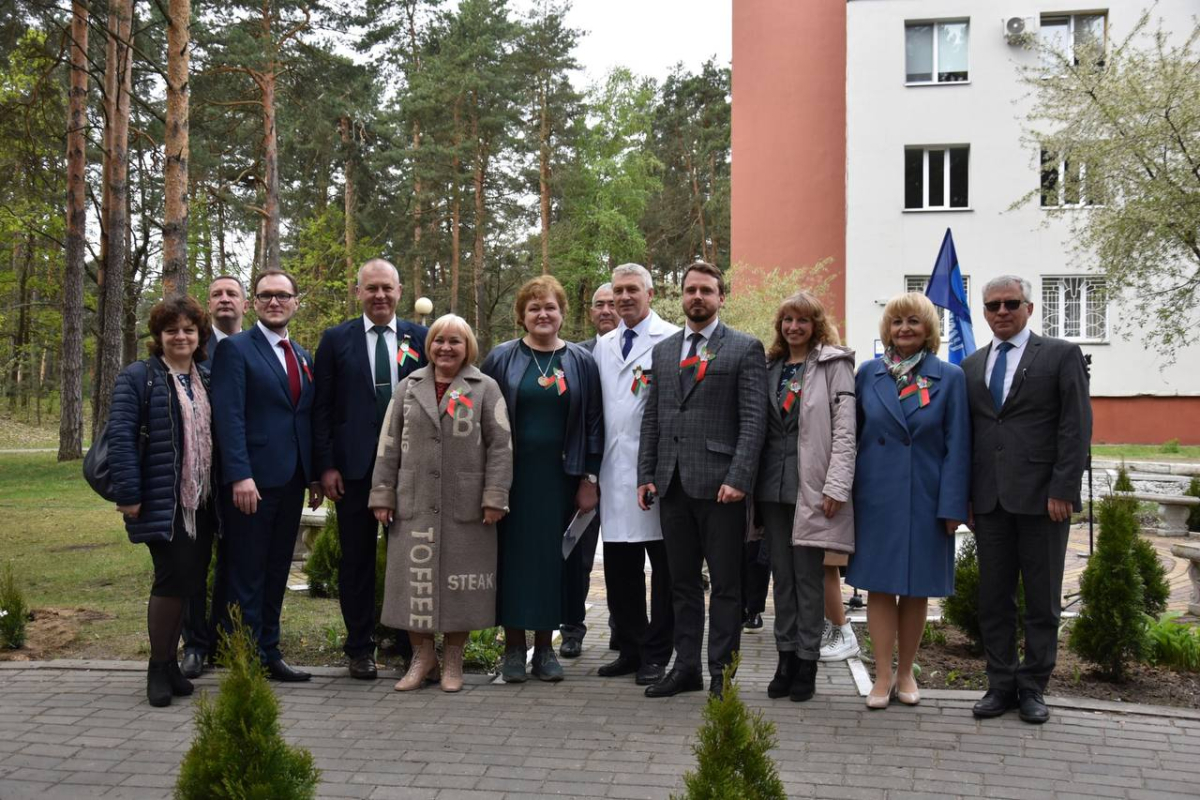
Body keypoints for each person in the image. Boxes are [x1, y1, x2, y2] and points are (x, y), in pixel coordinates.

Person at [637, 261, 768, 698]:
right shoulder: (664, 350)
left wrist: (739, 478)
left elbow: (753, 421)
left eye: (706, 291)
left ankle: (722, 676)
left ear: (720, 298)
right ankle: (686, 667)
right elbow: (652, 416)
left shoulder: (745, 348)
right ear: (681, 296)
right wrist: (646, 474)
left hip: (722, 490)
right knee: (681, 584)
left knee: (727, 587)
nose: (697, 297)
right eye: (690, 290)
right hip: (672, 486)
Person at [965, 275, 1091, 725]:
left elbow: (1075, 427)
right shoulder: (972, 365)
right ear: (984, 312)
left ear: (1029, 308)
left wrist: (1063, 489)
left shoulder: (1060, 356)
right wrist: (966, 497)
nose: (1001, 312)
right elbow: (972, 436)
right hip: (991, 502)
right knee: (994, 599)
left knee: (1042, 600)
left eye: (1010, 303)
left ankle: (1034, 685)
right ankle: (1000, 683)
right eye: (992, 305)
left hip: (1043, 501)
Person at [369, 314, 513, 692]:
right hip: (413, 501)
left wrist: (495, 495)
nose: (446, 348)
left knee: (459, 585)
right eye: (438, 340)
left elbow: (501, 446)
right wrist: (382, 493)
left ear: (468, 348)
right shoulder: (408, 386)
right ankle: (422, 658)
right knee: (413, 582)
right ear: (428, 345)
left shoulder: (485, 387)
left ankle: (452, 661)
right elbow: (388, 442)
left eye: (455, 341)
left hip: (465, 505)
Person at [847, 292, 970, 709]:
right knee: (880, 588)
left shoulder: (950, 377)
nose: (904, 329)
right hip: (877, 496)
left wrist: (953, 506)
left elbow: (959, 446)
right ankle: (881, 677)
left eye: (913, 322)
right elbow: (852, 439)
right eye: (897, 322)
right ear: (887, 330)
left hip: (926, 498)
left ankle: (905, 674)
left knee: (917, 590)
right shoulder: (867, 373)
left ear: (928, 328)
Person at [481, 275, 603, 683]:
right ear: (522, 316)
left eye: (550, 307)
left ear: (563, 314)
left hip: (561, 480)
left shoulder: (581, 361)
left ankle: (546, 649)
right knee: (512, 562)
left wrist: (590, 477)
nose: (543, 314)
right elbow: (482, 414)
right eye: (534, 308)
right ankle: (514, 648)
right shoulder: (502, 357)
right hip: (511, 479)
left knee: (555, 563)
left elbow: (593, 422)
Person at [313, 259, 428, 679]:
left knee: (408, 559)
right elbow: (321, 408)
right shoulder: (335, 340)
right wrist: (325, 465)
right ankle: (359, 648)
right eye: (371, 288)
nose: (380, 295)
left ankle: (408, 645)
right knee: (357, 561)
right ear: (358, 292)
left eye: (387, 288)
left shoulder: (422, 337)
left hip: (411, 467)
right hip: (355, 470)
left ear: (400, 291)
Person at [212, 270, 321, 682]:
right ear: (253, 303)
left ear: (296, 301)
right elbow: (229, 416)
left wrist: (311, 477)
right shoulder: (237, 350)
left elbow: (303, 418)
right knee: (247, 572)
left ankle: (269, 650)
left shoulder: (302, 355)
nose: (274, 302)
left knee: (278, 569)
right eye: (265, 296)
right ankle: (241, 655)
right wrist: (240, 475)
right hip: (251, 484)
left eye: (282, 295)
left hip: (291, 481)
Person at [108, 296, 219, 706]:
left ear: (199, 335)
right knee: (171, 580)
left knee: (189, 582)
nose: (181, 336)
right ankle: (157, 667)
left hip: (201, 502)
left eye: (189, 329)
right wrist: (129, 495)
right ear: (159, 336)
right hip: (161, 501)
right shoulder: (139, 377)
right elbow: (120, 437)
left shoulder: (204, 376)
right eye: (172, 329)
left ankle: (171, 667)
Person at [756, 291, 856, 702]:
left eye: (803, 320)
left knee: (809, 579)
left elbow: (846, 430)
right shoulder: (770, 367)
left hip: (813, 488)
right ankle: (784, 658)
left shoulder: (834, 365)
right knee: (781, 578)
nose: (794, 327)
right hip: (772, 487)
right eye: (787, 320)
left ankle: (807, 661)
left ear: (816, 325)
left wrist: (837, 485)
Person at [593, 264, 679, 686]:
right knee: (620, 570)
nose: (624, 297)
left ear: (651, 293)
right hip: (612, 473)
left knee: (663, 571)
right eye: (618, 290)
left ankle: (657, 653)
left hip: (656, 475)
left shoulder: (673, 340)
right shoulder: (603, 345)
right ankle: (629, 647)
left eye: (632, 290)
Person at [179, 276, 249, 679]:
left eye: (232, 294)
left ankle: (226, 634)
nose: (224, 300)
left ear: (245, 304)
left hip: (241, 477)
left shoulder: (256, 350)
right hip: (198, 479)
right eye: (217, 294)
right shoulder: (194, 350)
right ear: (209, 305)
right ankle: (195, 644)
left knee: (235, 562)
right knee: (192, 561)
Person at [560, 283, 619, 659]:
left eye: (613, 303)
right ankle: (571, 628)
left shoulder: (647, 349)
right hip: (583, 472)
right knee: (577, 554)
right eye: (599, 304)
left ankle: (623, 627)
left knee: (623, 554)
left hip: (628, 473)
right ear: (590, 312)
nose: (607, 310)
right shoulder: (574, 356)